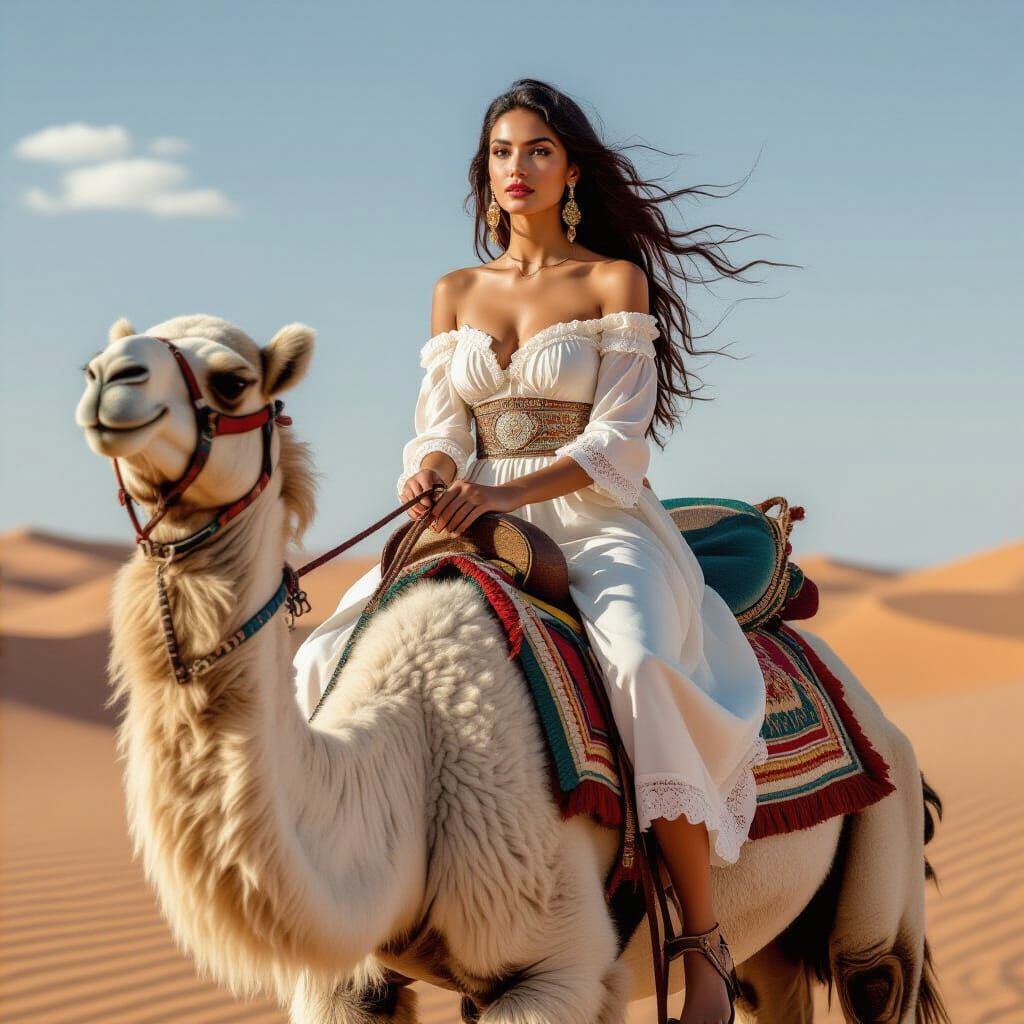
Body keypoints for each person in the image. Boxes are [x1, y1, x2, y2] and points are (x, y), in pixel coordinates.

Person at [294, 78, 781, 1024]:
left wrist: (504, 490)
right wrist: (432, 472)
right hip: (467, 520)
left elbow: (618, 446)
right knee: (323, 656)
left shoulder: (612, 282)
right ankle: (353, 906)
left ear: (571, 173)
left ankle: (701, 939)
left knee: (639, 666)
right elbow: (436, 426)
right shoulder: (454, 292)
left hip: (596, 523)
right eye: (501, 154)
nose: (516, 170)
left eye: (538, 152)